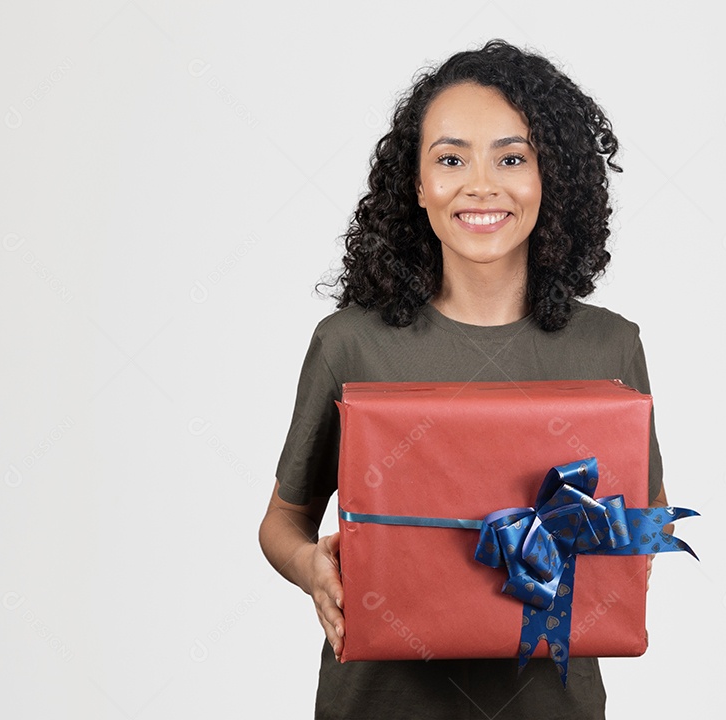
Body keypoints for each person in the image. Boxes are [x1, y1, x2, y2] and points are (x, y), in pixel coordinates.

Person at [259, 39, 674, 719]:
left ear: (552, 180)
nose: (481, 184)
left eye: (512, 158)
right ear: (418, 186)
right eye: (451, 159)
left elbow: (647, 516)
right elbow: (284, 520)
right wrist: (313, 570)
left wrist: (612, 551)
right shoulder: (350, 345)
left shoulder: (610, 346)